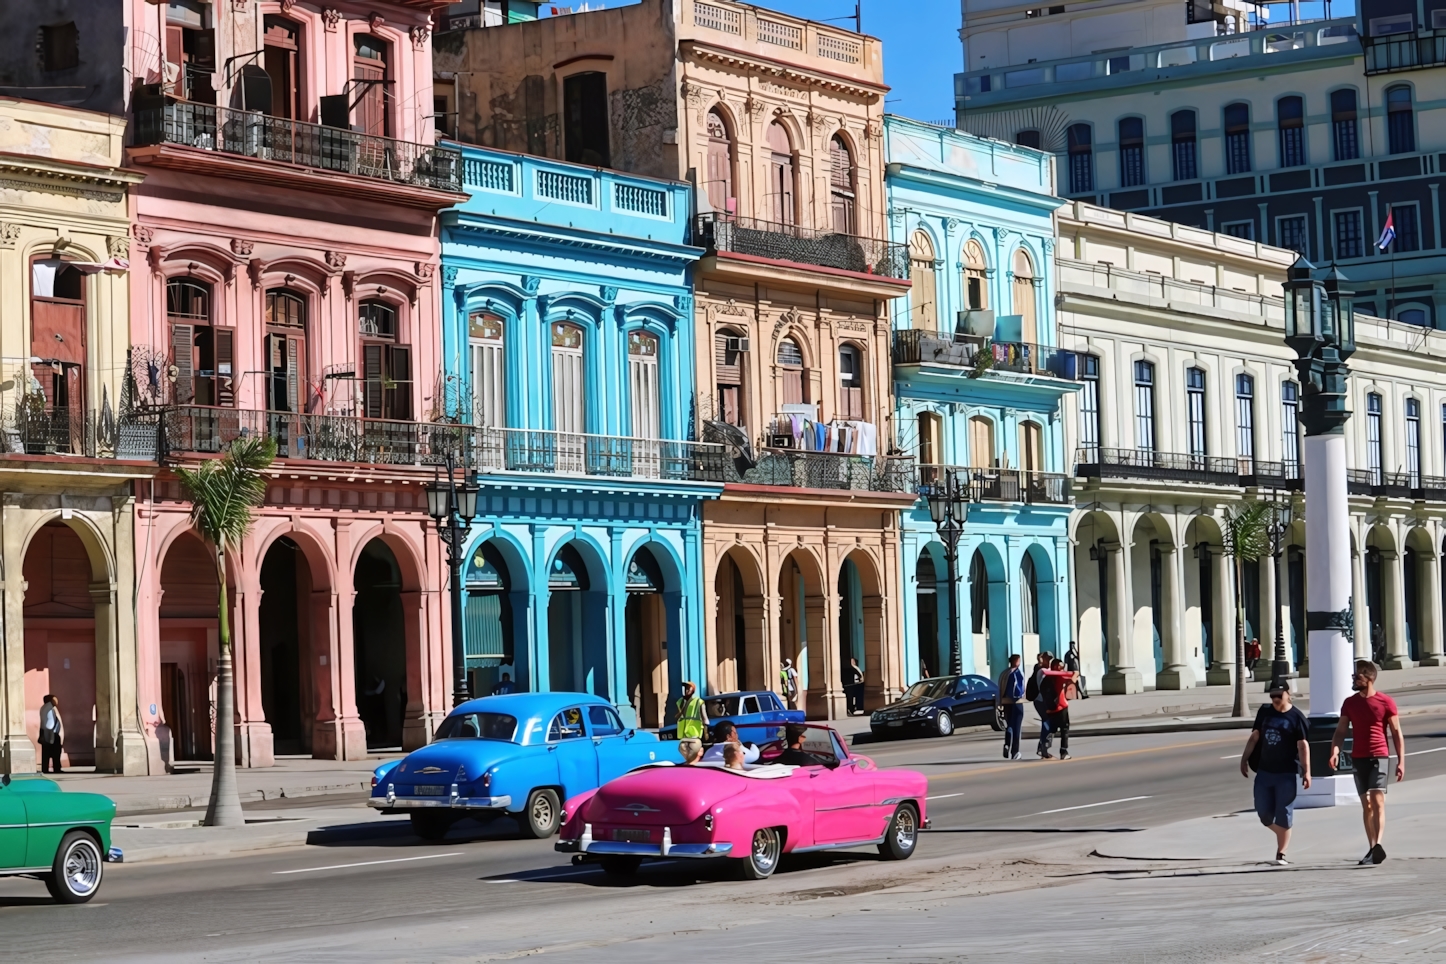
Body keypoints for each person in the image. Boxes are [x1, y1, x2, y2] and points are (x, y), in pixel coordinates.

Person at [1330, 660, 1405, 865]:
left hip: (1379, 755)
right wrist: (1334, 752)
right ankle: (1373, 848)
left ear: (1369, 678)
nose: (1354, 679)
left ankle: (1378, 844)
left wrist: (1401, 761)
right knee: (1367, 804)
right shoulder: (1350, 703)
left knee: (1377, 799)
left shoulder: (1386, 702)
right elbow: (1340, 732)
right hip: (1358, 757)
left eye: (1357, 676)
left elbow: (1397, 733)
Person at [1240, 681, 1311, 866]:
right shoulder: (1264, 711)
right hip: (1264, 771)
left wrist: (1307, 771)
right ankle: (1283, 833)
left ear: (1288, 694)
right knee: (1263, 813)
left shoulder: (1296, 717)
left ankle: (1281, 853)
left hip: (1286, 773)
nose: (1275, 699)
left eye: (1279, 695)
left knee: (1284, 813)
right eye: (1272, 696)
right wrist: (1244, 759)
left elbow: (1303, 745)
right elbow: (1255, 736)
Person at [1040, 659, 1078, 760]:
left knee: (1052, 729)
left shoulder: (1046, 678)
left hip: (1050, 708)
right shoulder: (1060, 677)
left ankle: (1044, 747)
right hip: (1061, 707)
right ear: (1057, 666)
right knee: (1064, 730)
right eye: (1061, 665)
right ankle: (1063, 751)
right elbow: (1072, 684)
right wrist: (1075, 674)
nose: (1062, 667)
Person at [999, 654, 1025, 761]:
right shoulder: (1018, 673)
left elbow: (1000, 687)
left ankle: (1007, 744)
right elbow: (1022, 688)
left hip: (1005, 702)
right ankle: (1015, 752)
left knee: (1009, 725)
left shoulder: (1004, 673)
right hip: (1017, 703)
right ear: (1017, 661)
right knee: (1017, 727)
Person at [1027, 652, 1053, 757]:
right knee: (1047, 722)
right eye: (1048, 659)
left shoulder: (1047, 670)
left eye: (1051, 659)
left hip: (1044, 701)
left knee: (1047, 722)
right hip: (1041, 700)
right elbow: (1044, 687)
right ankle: (1044, 747)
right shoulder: (1041, 671)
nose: (1049, 661)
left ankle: (1042, 746)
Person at [38, 694, 62, 774]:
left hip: (47, 732)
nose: (57, 701)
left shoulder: (44, 707)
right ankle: (56, 768)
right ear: (51, 700)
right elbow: (50, 723)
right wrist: (51, 734)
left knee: (46, 752)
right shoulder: (49, 708)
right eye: (55, 699)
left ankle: (45, 768)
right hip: (51, 733)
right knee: (55, 752)